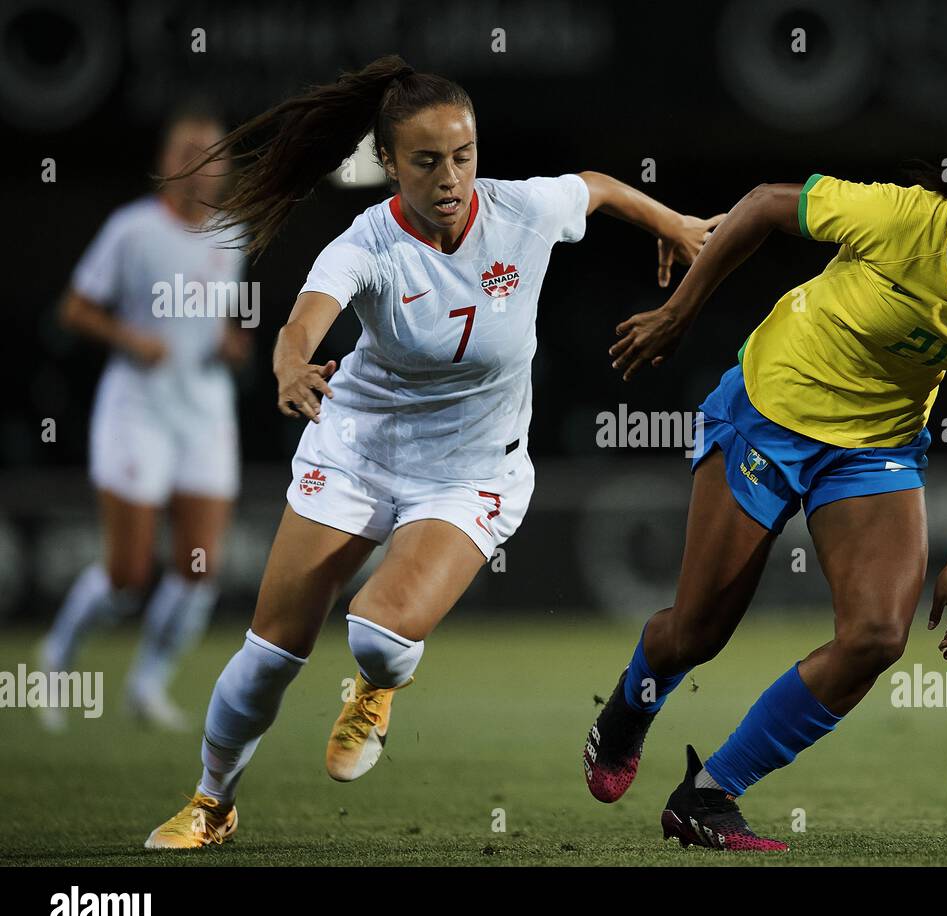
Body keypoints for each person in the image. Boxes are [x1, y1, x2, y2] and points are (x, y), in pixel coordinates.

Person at [143, 55, 721, 849]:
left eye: (464, 154)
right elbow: (306, 318)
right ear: (388, 163)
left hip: (474, 471)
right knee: (271, 654)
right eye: (425, 160)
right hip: (356, 452)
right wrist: (288, 362)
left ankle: (375, 689)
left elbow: (594, 185)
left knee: (377, 636)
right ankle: (213, 802)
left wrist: (673, 223)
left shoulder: (520, 211)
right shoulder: (369, 242)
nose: (450, 177)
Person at [583, 109, 947, 851]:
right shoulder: (899, 218)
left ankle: (708, 797)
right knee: (697, 633)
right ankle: (627, 711)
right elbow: (765, 206)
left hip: (874, 448)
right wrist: (681, 312)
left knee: (876, 636)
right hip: (771, 410)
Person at [38, 105, 250, 732]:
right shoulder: (131, 230)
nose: (199, 167)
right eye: (187, 152)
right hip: (137, 410)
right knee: (128, 573)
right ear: (164, 163)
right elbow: (74, 309)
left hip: (203, 410)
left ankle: (148, 684)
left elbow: (221, 323)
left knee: (199, 569)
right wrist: (132, 339)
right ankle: (57, 658)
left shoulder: (231, 235)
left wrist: (231, 344)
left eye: (212, 155)